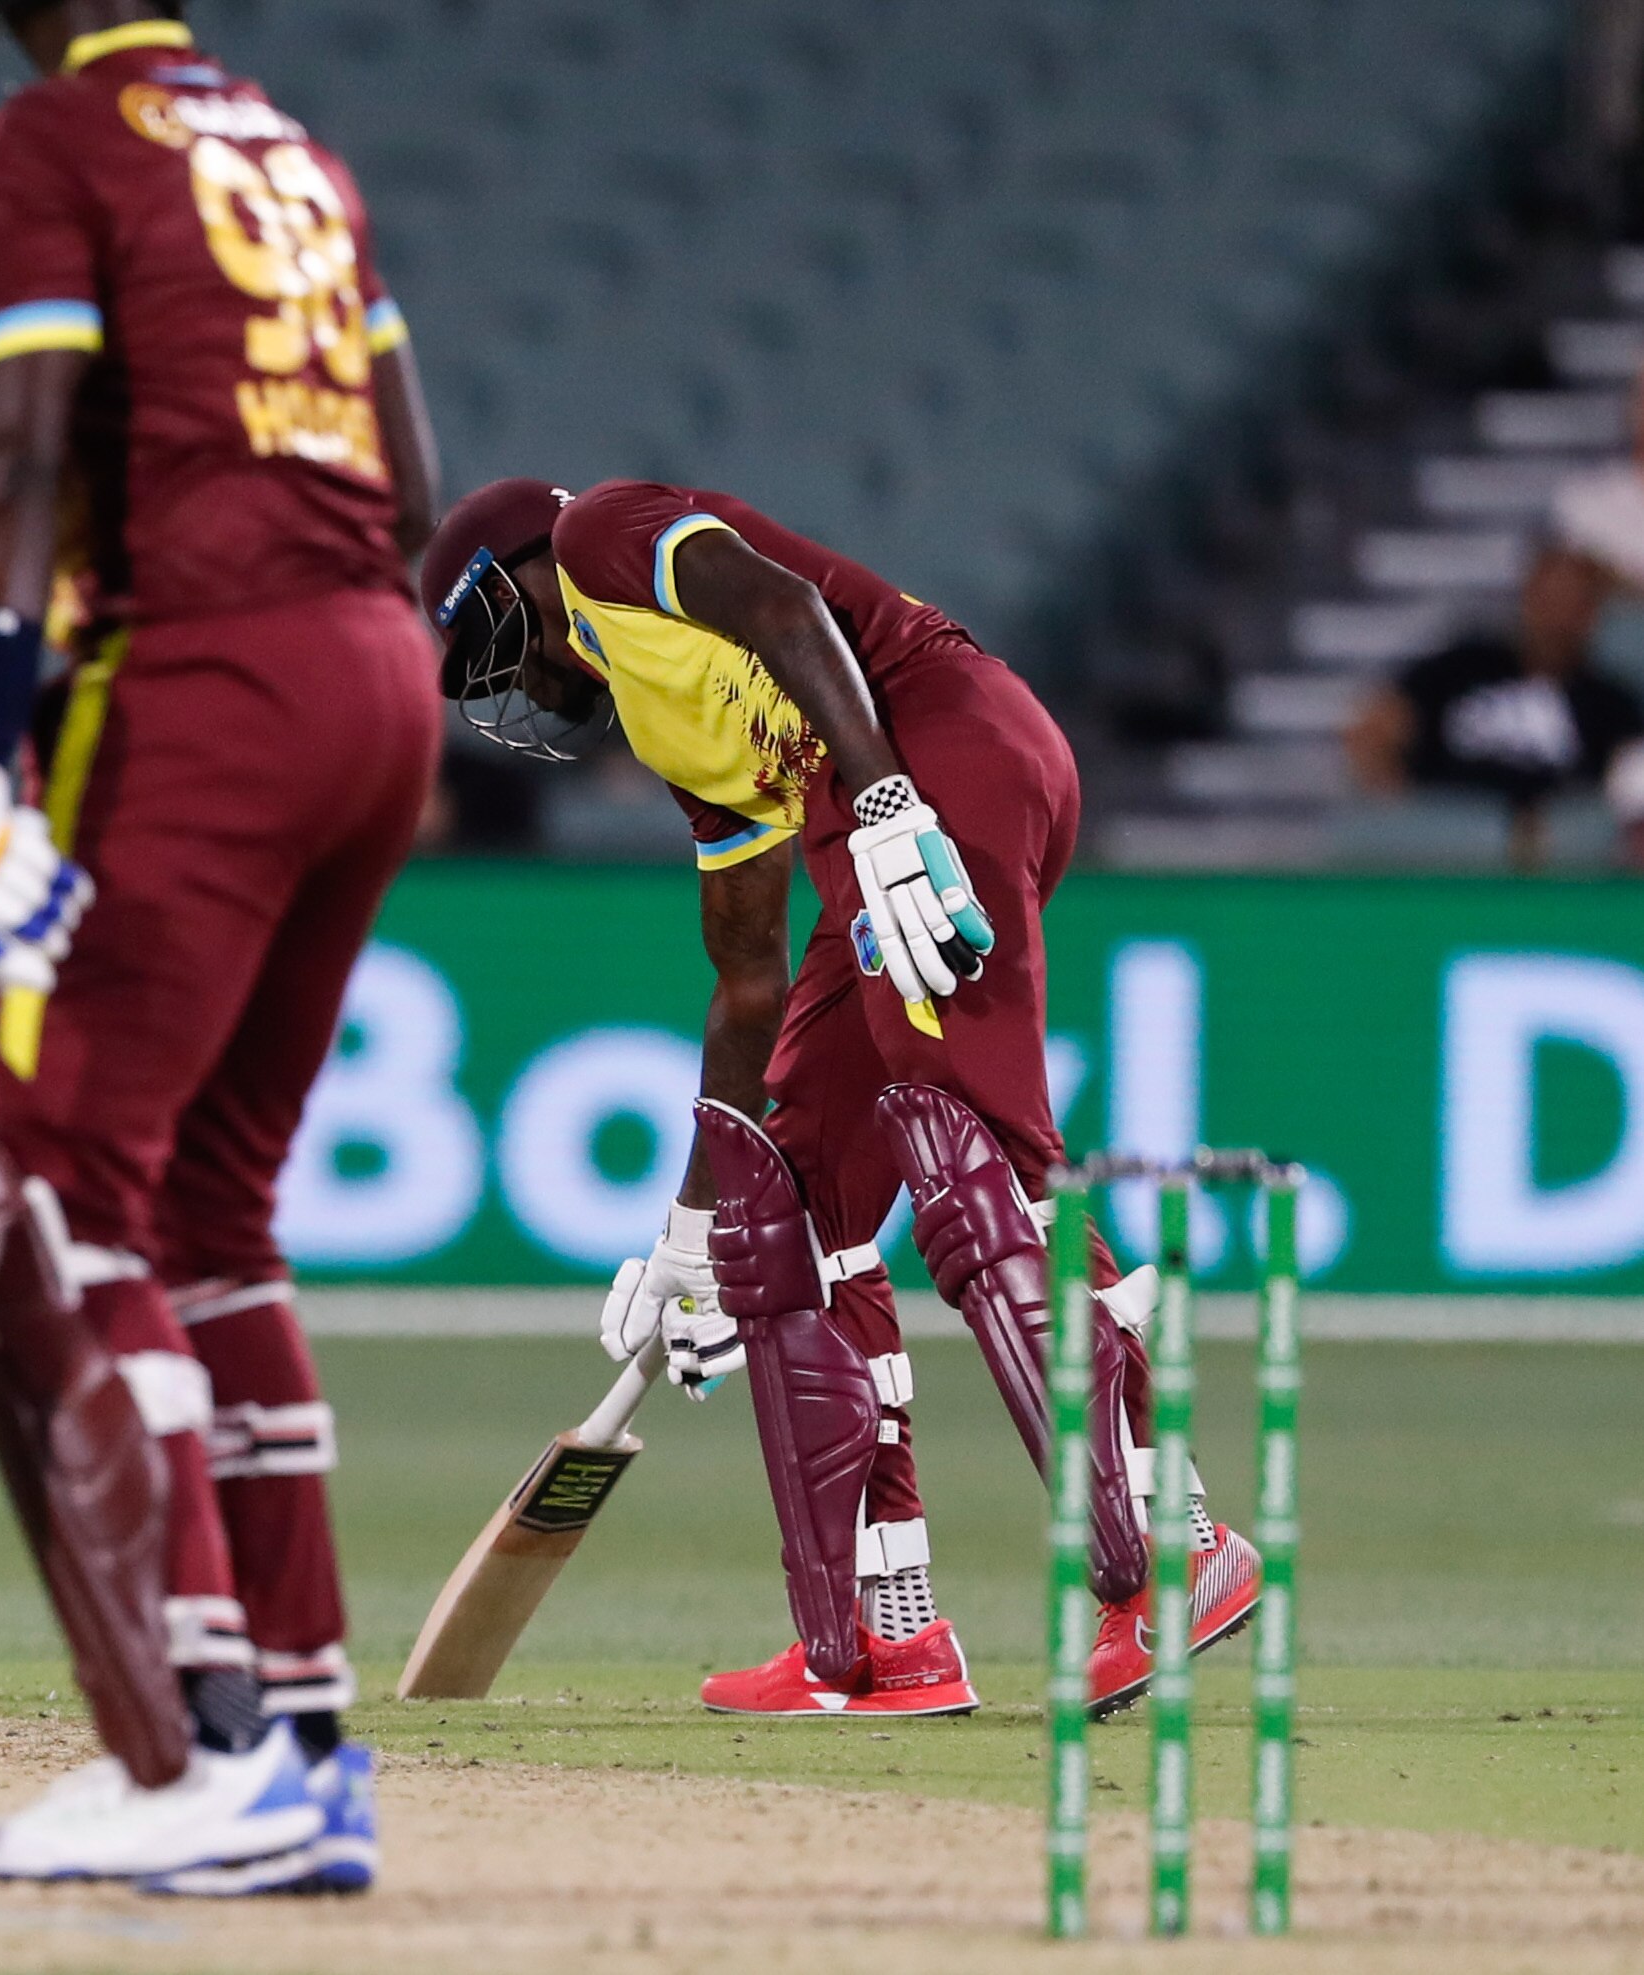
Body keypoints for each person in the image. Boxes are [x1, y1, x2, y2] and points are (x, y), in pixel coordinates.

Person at [418, 477, 1263, 1718]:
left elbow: (786, 605)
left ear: (519, 571)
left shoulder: (603, 531)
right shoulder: (670, 732)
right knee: (790, 1213)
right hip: (870, 810)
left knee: (973, 1163)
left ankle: (1179, 1546)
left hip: (939, 747)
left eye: (485, 634)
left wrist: (877, 798)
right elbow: (747, 987)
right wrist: (690, 1235)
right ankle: (879, 1640)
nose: (503, 682)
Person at [0, 0, 444, 1892]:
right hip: (377, 678)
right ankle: (298, 1739)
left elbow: (16, 448)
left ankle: (193, 1756)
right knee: (211, 1208)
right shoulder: (292, 150)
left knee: (49, 1204)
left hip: (208, 675)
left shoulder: (44, 145)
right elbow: (413, 486)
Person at [1346, 542, 1643, 867]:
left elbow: (1628, 784)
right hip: (1442, 827)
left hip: (1551, 849)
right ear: (1527, 596)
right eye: (1549, 598)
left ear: (1593, 613)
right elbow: (1378, 720)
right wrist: (1386, 780)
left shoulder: (1610, 702)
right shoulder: (1465, 665)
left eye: (1575, 603)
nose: (1559, 617)